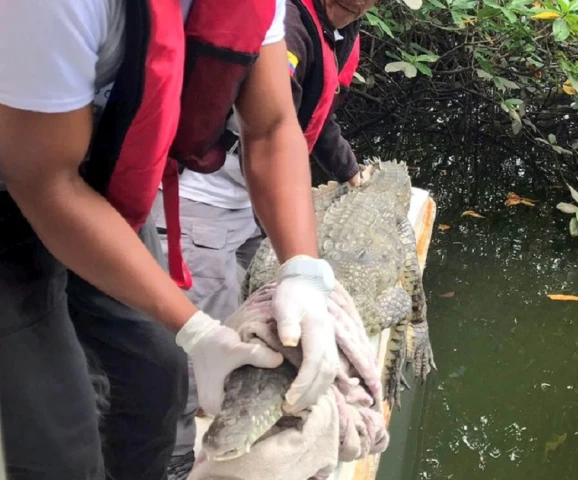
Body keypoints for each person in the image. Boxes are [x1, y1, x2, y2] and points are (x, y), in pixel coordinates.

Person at [0, 0, 342, 478]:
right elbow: (45, 184)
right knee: (60, 439)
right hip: (22, 187)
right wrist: (198, 329)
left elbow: (271, 128)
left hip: (100, 187)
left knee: (154, 379)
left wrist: (303, 272)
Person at [155, 0, 374, 474]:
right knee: (184, 344)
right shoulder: (292, 25)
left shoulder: (338, 32)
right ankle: (173, 460)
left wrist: (349, 171)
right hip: (200, 202)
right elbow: (273, 121)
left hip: (249, 205)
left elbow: (309, 119)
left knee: (222, 318)